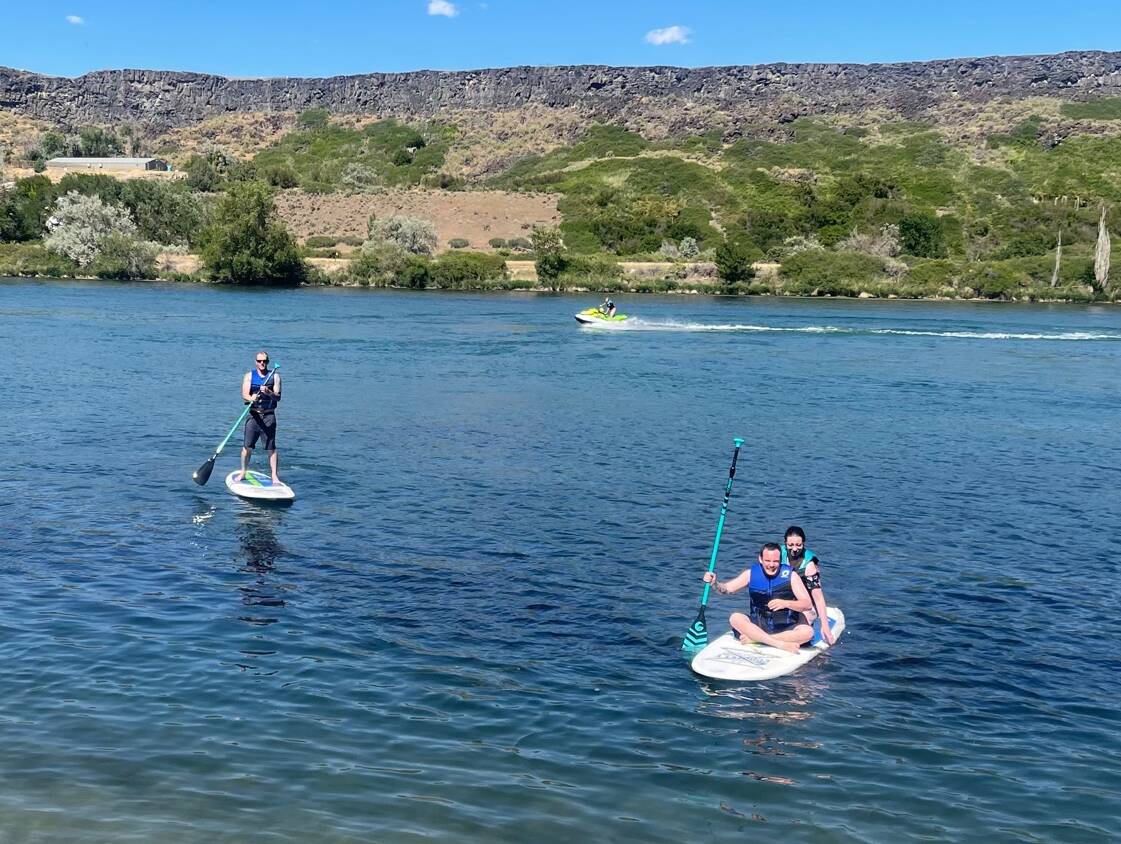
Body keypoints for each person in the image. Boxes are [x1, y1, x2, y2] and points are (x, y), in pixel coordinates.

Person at [703, 542, 813, 653]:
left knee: (807, 632)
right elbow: (726, 589)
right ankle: (777, 643)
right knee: (735, 618)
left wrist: (785, 603)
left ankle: (756, 639)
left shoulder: (791, 576)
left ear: (780, 561)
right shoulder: (750, 574)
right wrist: (714, 583)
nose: (771, 565)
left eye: (775, 561)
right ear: (760, 559)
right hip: (758, 625)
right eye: (767, 561)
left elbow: (807, 604)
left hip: (784, 627)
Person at [781, 526, 835, 645]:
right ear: (785, 543)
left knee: (803, 633)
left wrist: (825, 626)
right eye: (790, 545)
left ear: (803, 544)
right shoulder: (778, 554)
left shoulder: (809, 565)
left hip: (805, 606)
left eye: (798, 545)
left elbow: (818, 597)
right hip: (784, 601)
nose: (794, 549)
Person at [236, 351, 282, 484]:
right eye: (260, 361)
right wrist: (252, 398)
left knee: (271, 448)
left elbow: (278, 397)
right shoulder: (249, 376)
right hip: (254, 415)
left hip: (268, 416)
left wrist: (269, 392)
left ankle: (274, 476)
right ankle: (243, 472)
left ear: (268, 362)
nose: (262, 363)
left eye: (265, 361)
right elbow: (244, 395)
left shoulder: (275, 377)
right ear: (256, 362)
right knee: (247, 447)